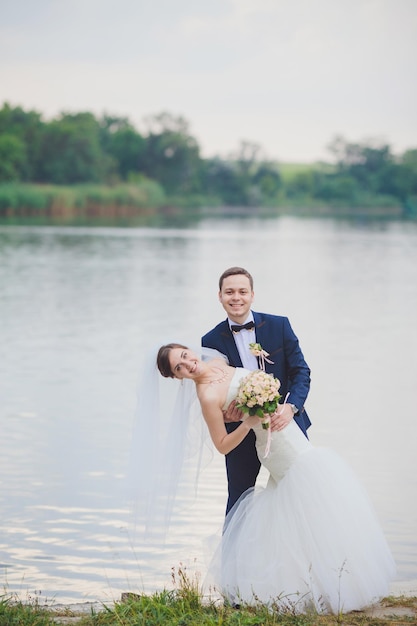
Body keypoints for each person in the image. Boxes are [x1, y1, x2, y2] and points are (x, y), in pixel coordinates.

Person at [156, 343, 396, 614]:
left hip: (288, 430)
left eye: (185, 356)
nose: (188, 364)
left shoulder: (218, 362)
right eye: (180, 367)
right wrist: (247, 423)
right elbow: (222, 444)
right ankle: (327, 586)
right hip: (275, 446)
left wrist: (269, 390)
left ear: (189, 350)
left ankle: (334, 579)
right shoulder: (207, 396)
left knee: (312, 507)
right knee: (313, 502)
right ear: (178, 377)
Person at [202, 266, 311, 514]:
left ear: (252, 294)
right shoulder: (210, 340)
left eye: (242, 291)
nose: (236, 297)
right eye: (229, 292)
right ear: (219, 296)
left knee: (299, 491)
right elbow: (214, 389)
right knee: (239, 502)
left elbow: (301, 372)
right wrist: (227, 413)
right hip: (241, 431)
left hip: (284, 425)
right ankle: (233, 553)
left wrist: (290, 408)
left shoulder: (279, 325)